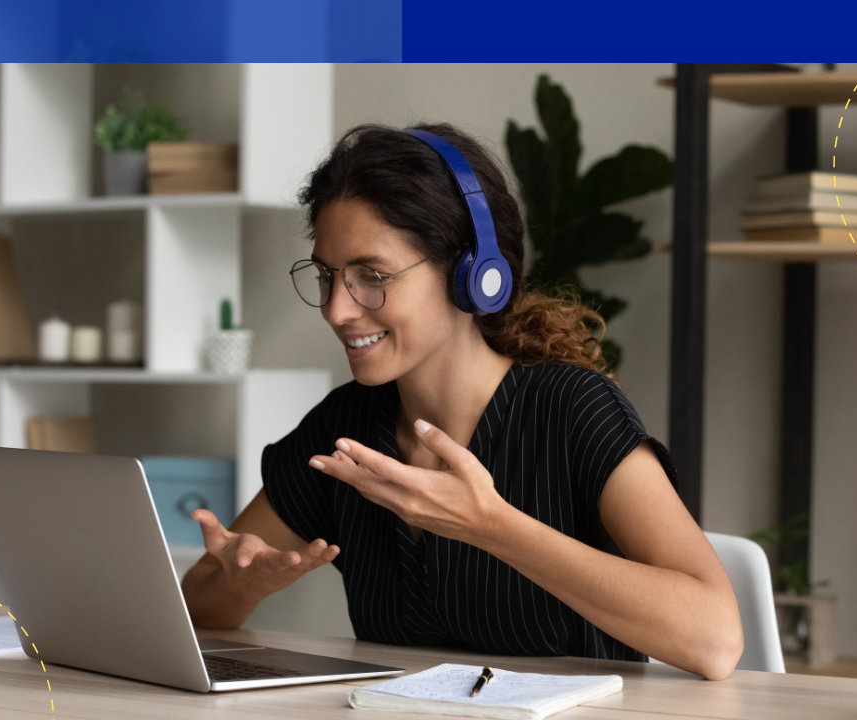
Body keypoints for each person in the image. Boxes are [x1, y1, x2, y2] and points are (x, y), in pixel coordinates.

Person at [181, 123, 743, 680]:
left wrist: (490, 524)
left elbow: (715, 640)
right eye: (328, 277)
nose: (337, 310)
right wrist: (242, 583)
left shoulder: (573, 409)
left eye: (370, 276)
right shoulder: (344, 425)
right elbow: (198, 607)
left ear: (474, 274)